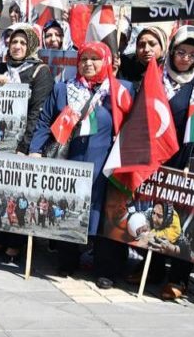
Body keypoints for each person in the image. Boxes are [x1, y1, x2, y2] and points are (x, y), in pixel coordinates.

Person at [30, 42, 131, 286]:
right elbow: (45, 121)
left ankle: (104, 269)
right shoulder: (63, 89)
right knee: (68, 207)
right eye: (84, 58)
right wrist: (34, 150)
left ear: (106, 62)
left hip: (104, 164)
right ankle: (67, 261)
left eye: (95, 59)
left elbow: (132, 125)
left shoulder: (120, 90)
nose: (88, 63)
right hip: (70, 159)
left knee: (103, 214)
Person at [144, 26, 194, 300]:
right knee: (155, 211)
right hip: (157, 154)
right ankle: (152, 269)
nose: (185, 58)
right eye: (181, 51)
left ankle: (179, 277)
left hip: (188, 158)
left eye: (193, 54)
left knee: (185, 219)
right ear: (172, 50)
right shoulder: (157, 73)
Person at [0, 24, 55, 263]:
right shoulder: (1, 67)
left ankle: (15, 245)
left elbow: (38, 111)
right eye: (14, 41)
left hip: (22, 143)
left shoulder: (39, 71)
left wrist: (25, 146)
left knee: (18, 193)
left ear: (31, 46)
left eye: (23, 43)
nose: (17, 46)